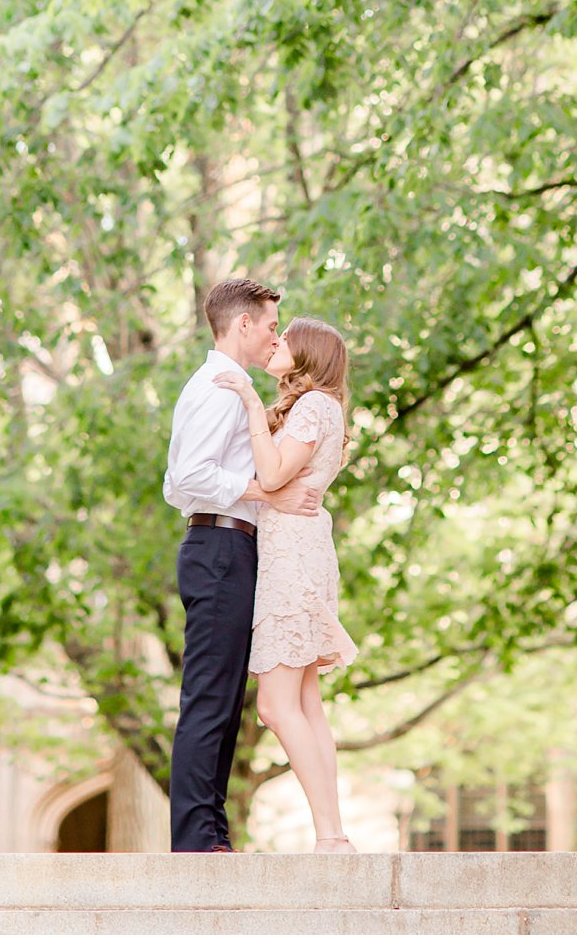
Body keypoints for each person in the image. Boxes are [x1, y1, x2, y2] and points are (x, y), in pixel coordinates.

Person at [162, 276, 319, 853]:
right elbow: (184, 481)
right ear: (244, 323)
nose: (276, 335)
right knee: (210, 697)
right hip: (219, 550)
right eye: (272, 325)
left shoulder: (228, 387)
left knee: (225, 702)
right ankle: (196, 842)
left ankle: (210, 834)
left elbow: (177, 479)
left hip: (228, 549)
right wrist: (264, 492)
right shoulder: (218, 388)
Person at [213, 316, 358, 853]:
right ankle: (333, 834)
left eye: (285, 338)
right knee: (306, 704)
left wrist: (252, 405)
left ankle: (330, 835)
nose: (276, 343)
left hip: (293, 560)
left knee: (276, 707)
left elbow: (273, 478)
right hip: (296, 552)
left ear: (308, 355)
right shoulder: (317, 408)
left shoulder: (315, 405)